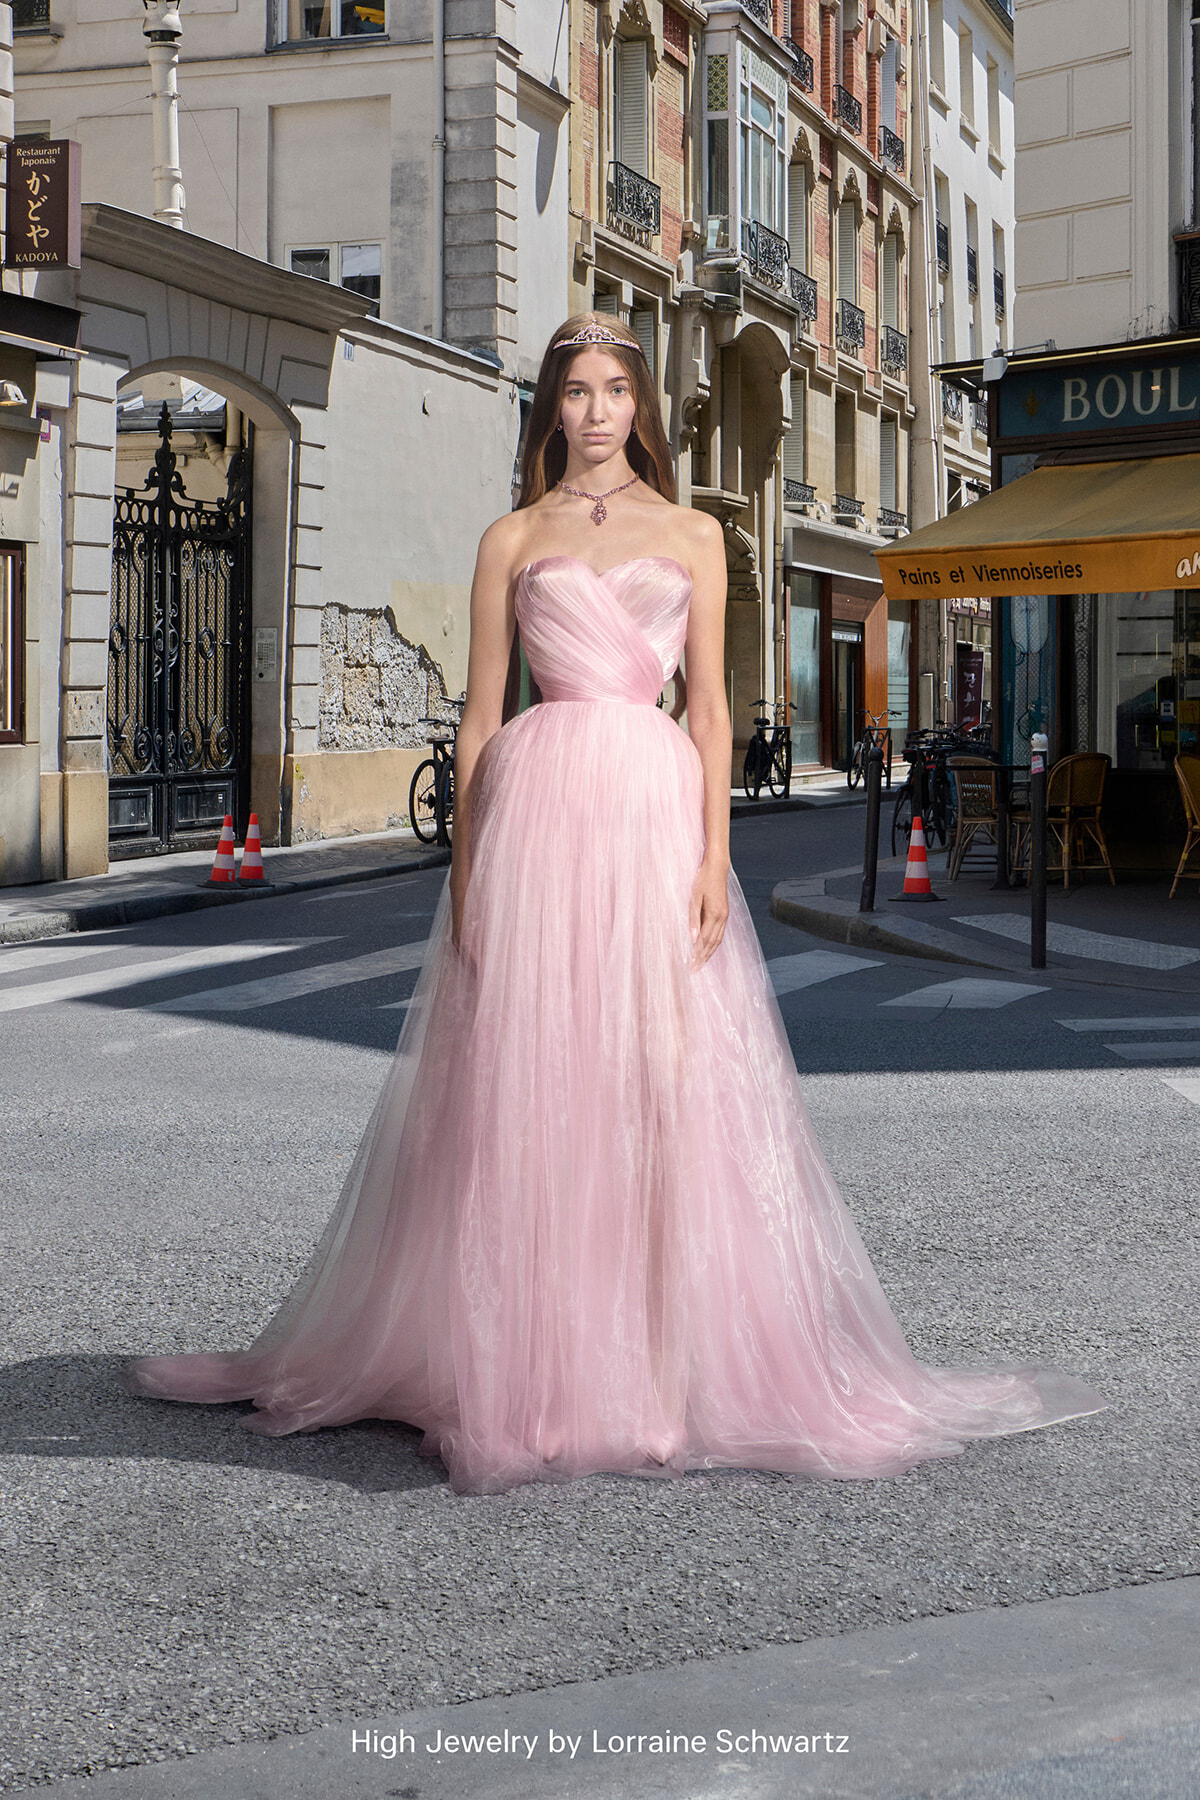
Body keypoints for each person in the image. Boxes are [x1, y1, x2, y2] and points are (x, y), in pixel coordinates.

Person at [126, 314, 1106, 1494]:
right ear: (552, 408)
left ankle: (649, 1371)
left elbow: (711, 716)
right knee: (530, 1089)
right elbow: (480, 717)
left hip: (649, 813)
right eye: (576, 392)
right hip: (536, 815)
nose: (595, 412)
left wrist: (712, 861)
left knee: (655, 1082)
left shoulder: (695, 533)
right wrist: (469, 868)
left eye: (613, 391)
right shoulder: (509, 538)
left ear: (642, 405)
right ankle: (526, 1367)